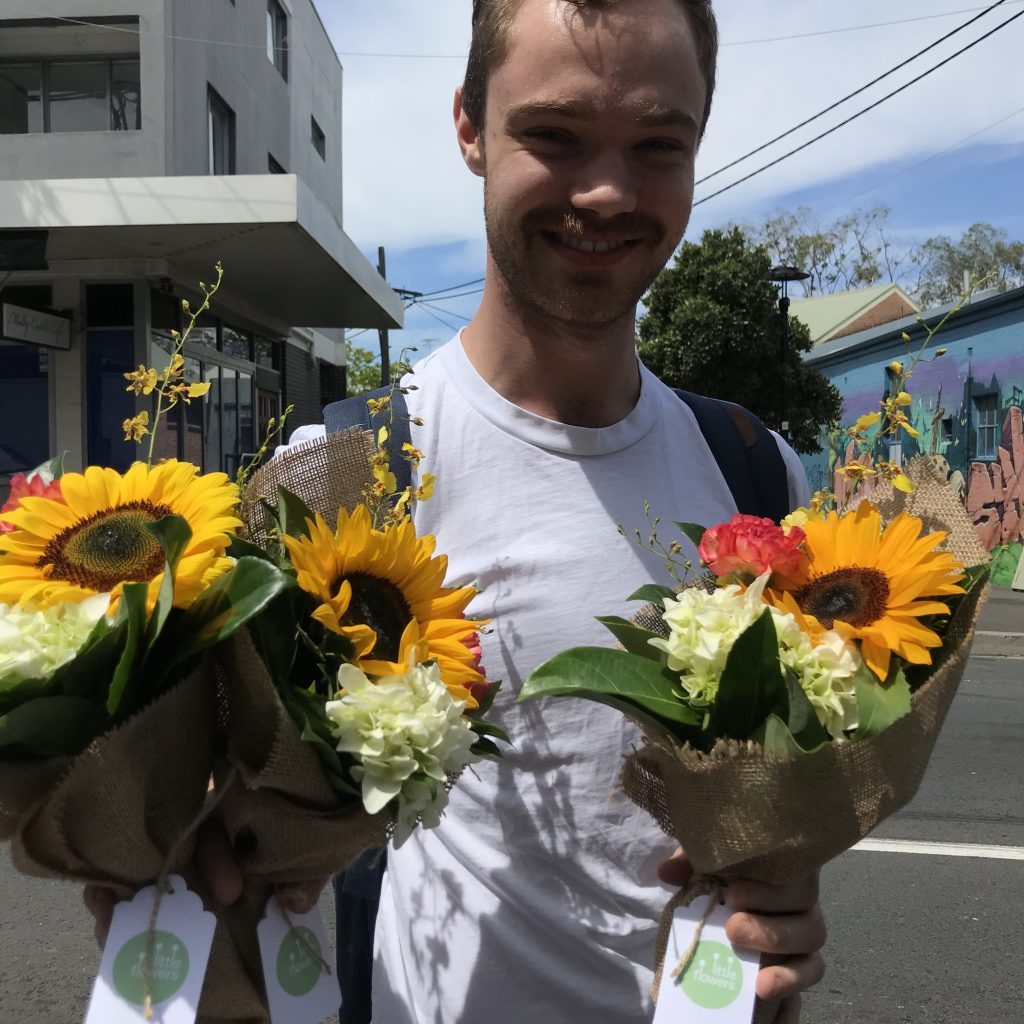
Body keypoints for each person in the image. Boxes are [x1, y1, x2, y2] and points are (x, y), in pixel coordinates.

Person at [89, 1, 827, 1020]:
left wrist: (776, 916)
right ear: (470, 128)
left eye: (658, 144)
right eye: (554, 135)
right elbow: (229, 825)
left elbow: (777, 812)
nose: (606, 190)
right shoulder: (332, 480)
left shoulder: (758, 477)